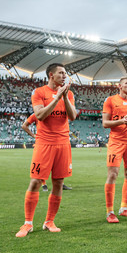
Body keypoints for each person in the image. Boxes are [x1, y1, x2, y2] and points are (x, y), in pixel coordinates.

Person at [15, 63, 76, 238]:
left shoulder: (69, 94)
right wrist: (57, 98)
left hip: (63, 143)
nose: (64, 76)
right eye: (61, 73)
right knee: (35, 182)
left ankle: (49, 221)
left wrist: (64, 97)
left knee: (58, 183)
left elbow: (72, 116)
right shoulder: (39, 92)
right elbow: (40, 115)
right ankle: (27, 223)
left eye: (65, 73)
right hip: (44, 143)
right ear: (51, 75)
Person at [102, 77, 127, 223]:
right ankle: (110, 212)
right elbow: (105, 123)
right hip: (116, 142)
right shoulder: (111, 100)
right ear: (119, 86)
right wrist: (121, 121)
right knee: (113, 174)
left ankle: (124, 208)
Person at [22, 113, 73, 192]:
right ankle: (44, 185)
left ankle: (61, 184)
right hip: (43, 144)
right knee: (43, 166)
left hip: (57, 143)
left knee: (58, 166)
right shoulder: (36, 114)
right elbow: (24, 125)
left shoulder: (55, 113)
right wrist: (34, 136)